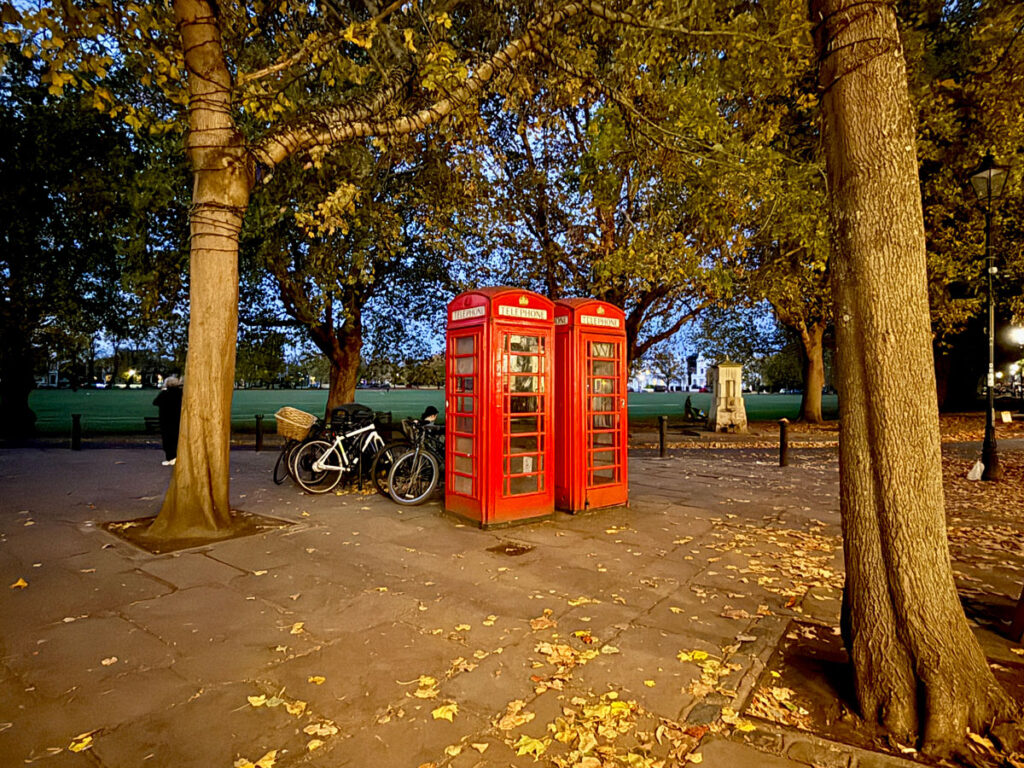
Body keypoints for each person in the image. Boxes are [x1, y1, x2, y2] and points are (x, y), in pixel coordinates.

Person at [153, 376, 183, 466]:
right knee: (176, 438)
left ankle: (170, 457)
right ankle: (175, 456)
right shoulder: (181, 393)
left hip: (166, 419)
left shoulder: (165, 393)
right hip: (177, 418)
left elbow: (155, 402)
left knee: (167, 439)